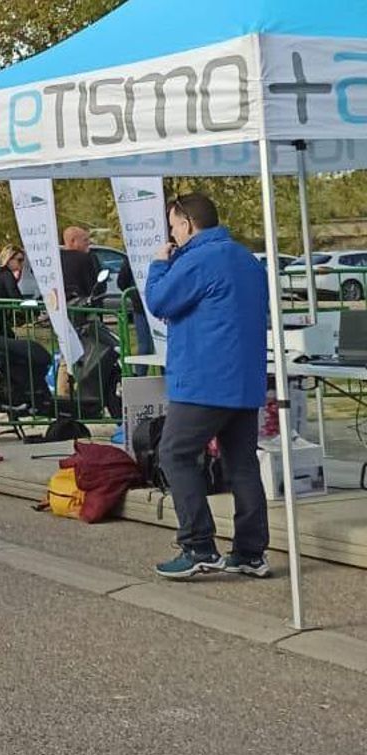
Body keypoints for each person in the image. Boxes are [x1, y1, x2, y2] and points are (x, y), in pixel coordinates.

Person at [146, 193, 271, 579]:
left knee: (174, 453)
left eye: (173, 227)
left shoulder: (199, 259)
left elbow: (159, 301)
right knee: (242, 464)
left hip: (204, 380)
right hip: (244, 380)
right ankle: (250, 552)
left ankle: (198, 544)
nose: (172, 235)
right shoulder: (247, 260)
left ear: (187, 224)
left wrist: (158, 264)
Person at [59, 225, 105, 305]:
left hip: (59, 305)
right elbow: (94, 286)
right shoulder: (86, 258)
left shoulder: (57, 259)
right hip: (83, 307)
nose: (89, 242)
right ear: (73, 241)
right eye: (85, 240)